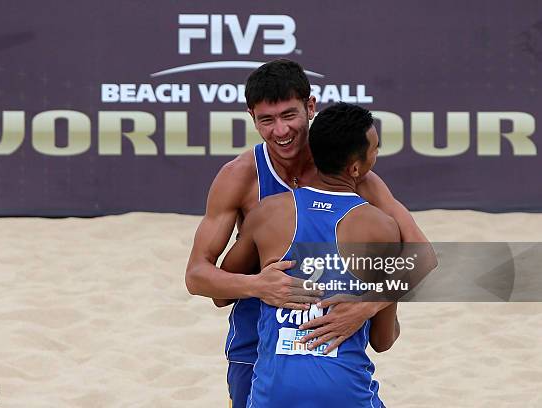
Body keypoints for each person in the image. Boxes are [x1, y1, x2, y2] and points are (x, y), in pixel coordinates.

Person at [185, 59, 433, 408]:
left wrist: (367, 304)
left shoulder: (350, 173)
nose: (280, 131)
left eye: (289, 115)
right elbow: (197, 275)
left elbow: (422, 255)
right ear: (252, 118)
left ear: (310, 107)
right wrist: (257, 285)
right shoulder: (239, 176)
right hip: (255, 351)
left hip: (332, 347)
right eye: (266, 120)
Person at [220, 102, 400, 407]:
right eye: (375, 149)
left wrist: (261, 284)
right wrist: (374, 301)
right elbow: (383, 342)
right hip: (345, 393)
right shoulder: (380, 227)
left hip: (273, 394)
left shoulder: (267, 214)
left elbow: (220, 291)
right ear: (356, 168)